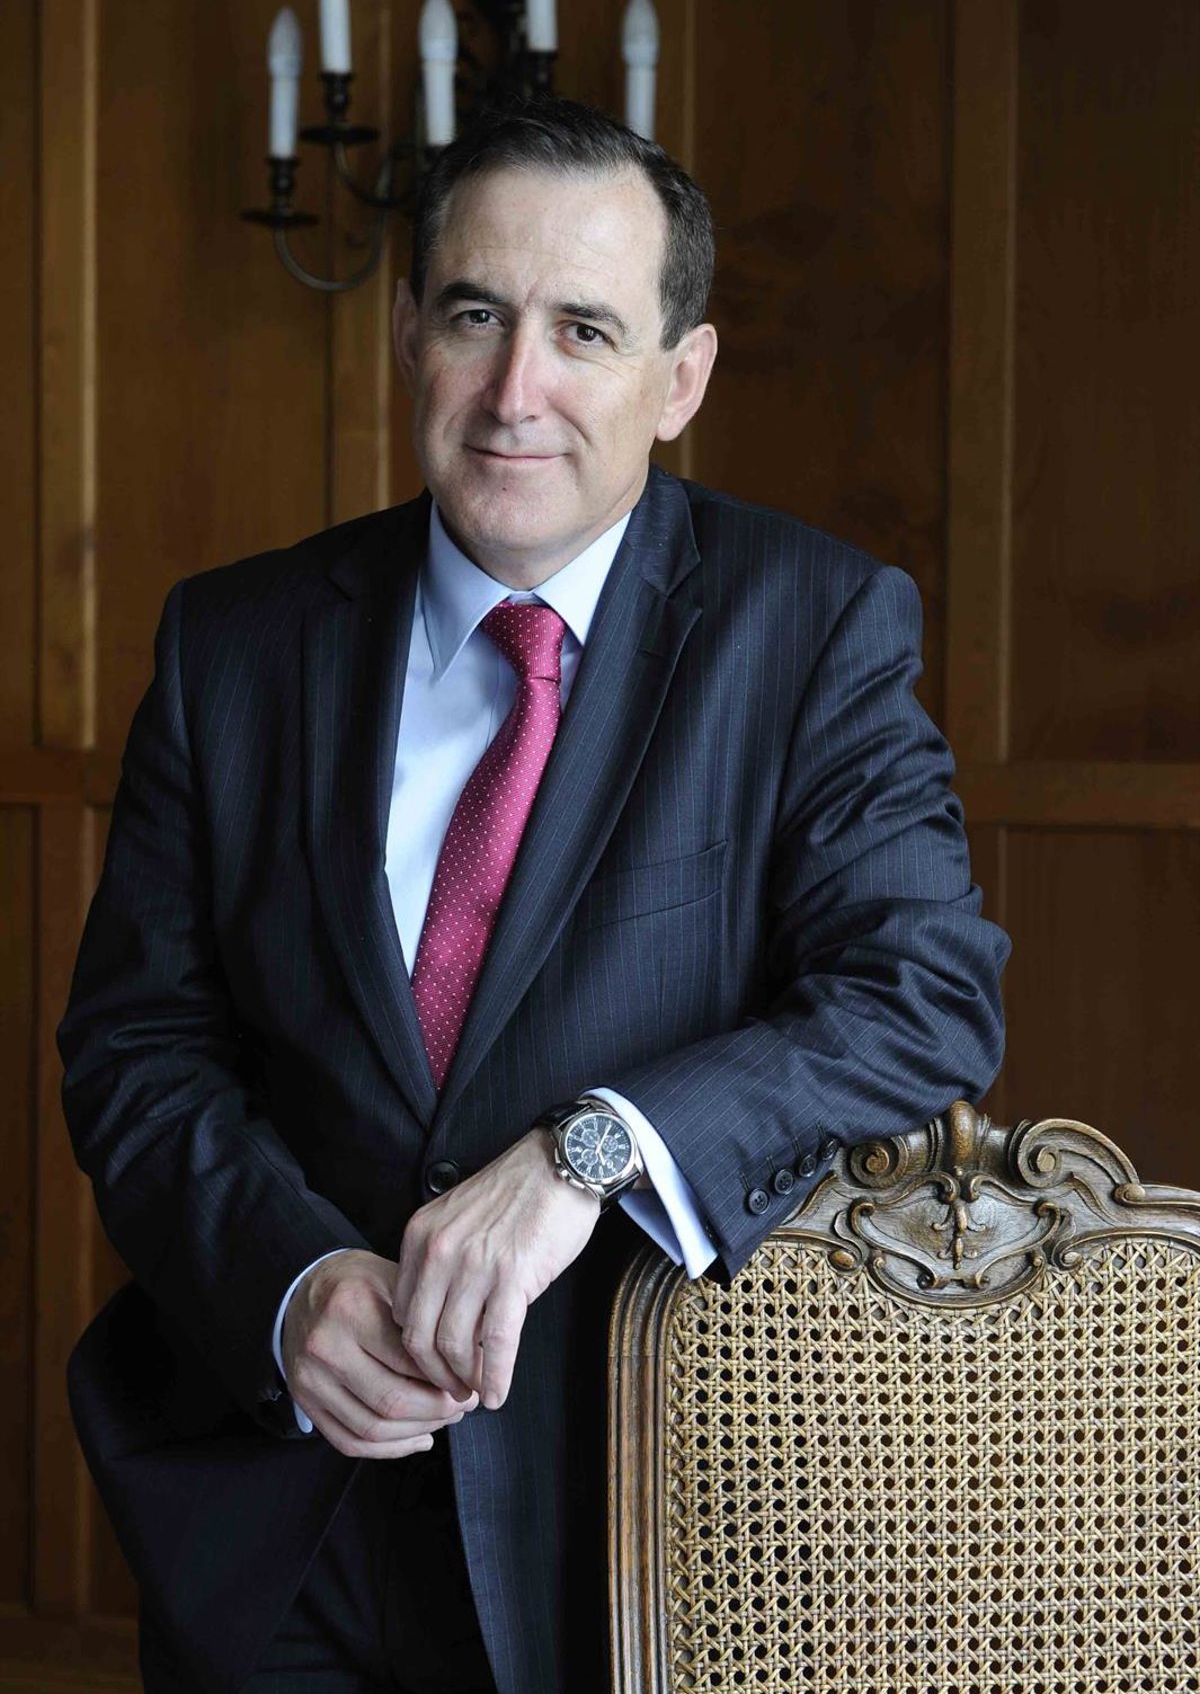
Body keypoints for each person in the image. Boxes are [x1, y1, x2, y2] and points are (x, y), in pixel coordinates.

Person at [59, 98, 1009, 1694]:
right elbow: (137, 1046)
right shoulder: (233, 644)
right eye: (475, 317)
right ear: (408, 335)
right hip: (282, 1515)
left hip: (647, 1519)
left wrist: (591, 1151)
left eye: (584, 331)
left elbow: (923, 997)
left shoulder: (812, 627)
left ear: (679, 379)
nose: (517, 392)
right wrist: (286, 1288)